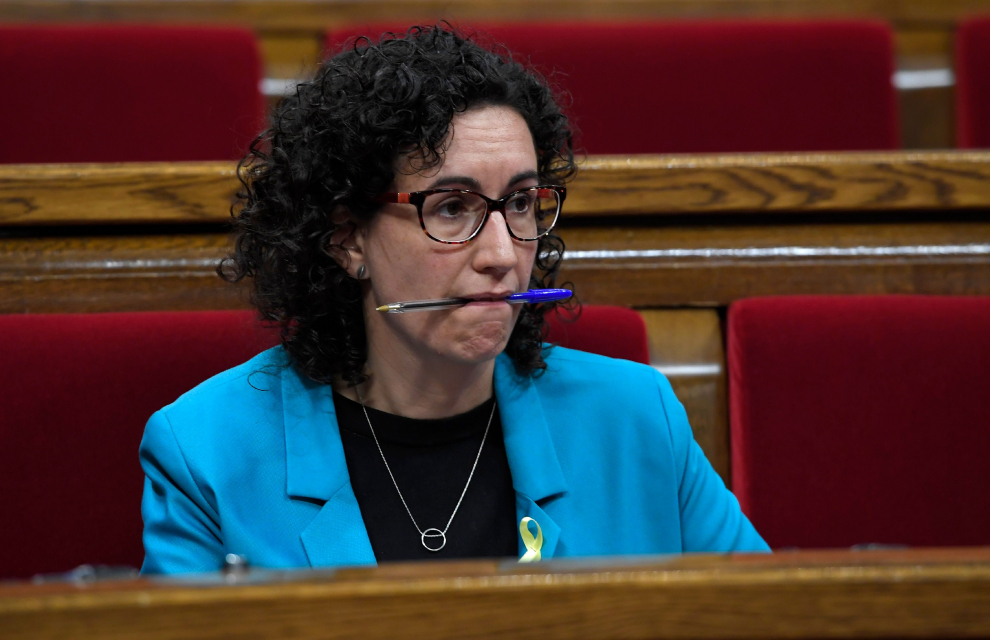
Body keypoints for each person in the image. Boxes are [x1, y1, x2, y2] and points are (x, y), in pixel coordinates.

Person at [139, 25, 768, 574]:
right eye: (450, 207)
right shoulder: (206, 452)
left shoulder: (636, 419)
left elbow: (768, 619)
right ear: (347, 238)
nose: (500, 253)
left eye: (519, 203)